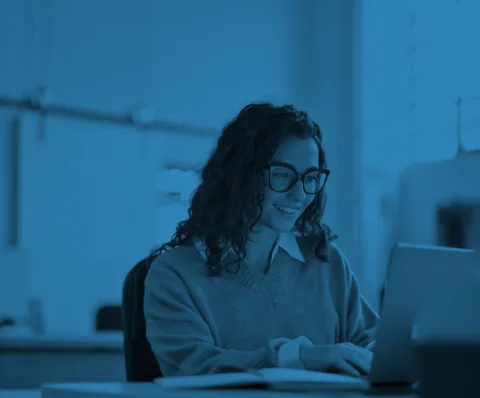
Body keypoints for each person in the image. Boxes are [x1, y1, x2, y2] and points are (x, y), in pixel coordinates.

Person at [144, 103, 379, 378]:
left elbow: (368, 347)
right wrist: (301, 357)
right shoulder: (173, 274)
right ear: (240, 174)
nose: (299, 195)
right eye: (282, 174)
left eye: (311, 177)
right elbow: (195, 367)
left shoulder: (327, 261)